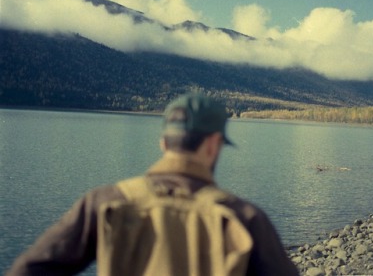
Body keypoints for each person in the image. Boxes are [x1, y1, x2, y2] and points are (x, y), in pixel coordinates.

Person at [7, 93, 298, 275]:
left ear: (163, 143)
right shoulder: (245, 218)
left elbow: (28, 270)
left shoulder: (105, 202)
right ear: (212, 145)